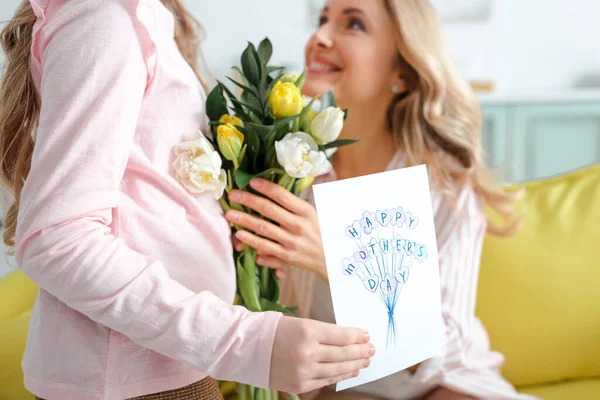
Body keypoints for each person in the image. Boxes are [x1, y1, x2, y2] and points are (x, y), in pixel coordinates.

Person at [0, 1, 375, 399]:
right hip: (137, 378)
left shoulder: (132, 19)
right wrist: (247, 343)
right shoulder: (109, 18)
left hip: (164, 365)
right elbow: (57, 238)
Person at [224, 0, 538, 399]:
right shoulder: (288, 172)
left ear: (403, 71)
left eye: (352, 24)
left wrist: (338, 262)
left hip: (440, 385)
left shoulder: (445, 184)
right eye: (323, 19)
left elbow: (442, 349)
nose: (319, 36)